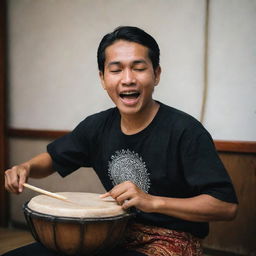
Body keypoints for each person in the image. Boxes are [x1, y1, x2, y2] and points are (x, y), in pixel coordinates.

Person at [4, 26, 238, 256]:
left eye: (138, 68)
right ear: (103, 78)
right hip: (113, 231)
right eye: (115, 70)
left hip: (174, 239)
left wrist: (153, 202)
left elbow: (226, 206)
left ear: (156, 74)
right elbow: (54, 158)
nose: (128, 79)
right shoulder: (96, 126)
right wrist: (26, 168)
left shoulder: (185, 130)